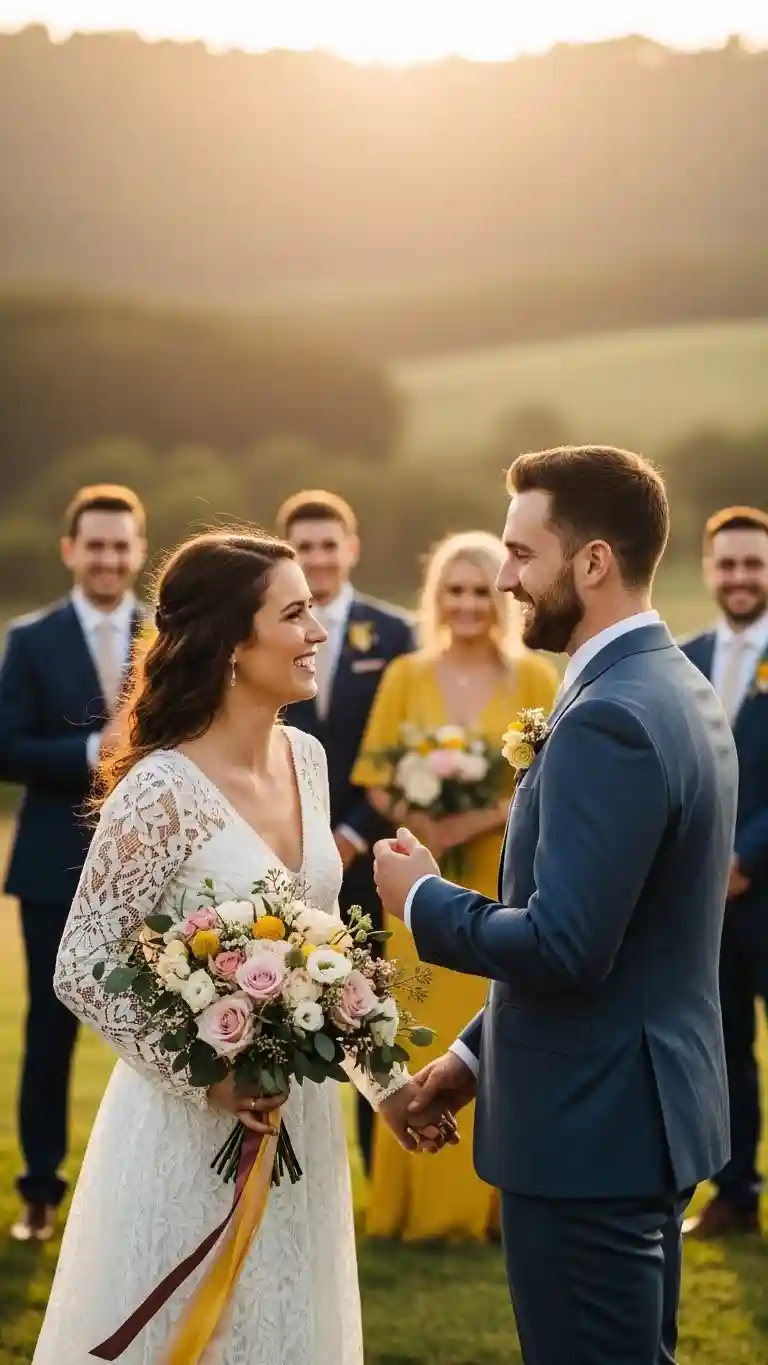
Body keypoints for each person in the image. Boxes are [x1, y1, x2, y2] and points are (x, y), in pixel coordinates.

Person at [32, 530, 453, 1365]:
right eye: (295, 613)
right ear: (232, 641)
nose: (318, 632)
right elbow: (81, 963)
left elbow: (325, 949)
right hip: (187, 1129)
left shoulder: (308, 758)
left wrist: (390, 1089)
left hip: (300, 1122)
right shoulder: (159, 788)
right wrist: (209, 1075)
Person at [374, 446, 739, 1365]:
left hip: (590, 1131)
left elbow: (569, 943)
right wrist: (470, 1053)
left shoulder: (612, 715)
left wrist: (423, 900)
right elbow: (623, 931)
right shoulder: (672, 685)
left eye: (520, 555)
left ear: (593, 562)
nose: (503, 579)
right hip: (632, 1113)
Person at [352, 530, 557, 1239]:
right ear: (437, 597)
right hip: (417, 891)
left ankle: (495, 1204)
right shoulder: (406, 672)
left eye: (479, 590)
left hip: (504, 884)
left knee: (495, 1035)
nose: (468, 603)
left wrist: (484, 814)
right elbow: (376, 774)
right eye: (454, 591)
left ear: (496, 596)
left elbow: (553, 771)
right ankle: (411, 1202)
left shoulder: (533, 677)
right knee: (415, 1034)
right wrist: (424, 823)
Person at [0, 484, 148, 1242]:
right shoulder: (29, 639)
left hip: (154, 866)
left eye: (121, 544)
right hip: (52, 864)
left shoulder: (168, 632)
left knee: (162, 1028)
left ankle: (146, 1198)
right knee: (50, 1037)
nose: (108, 557)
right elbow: (6, 746)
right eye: (95, 544)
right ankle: (40, 1192)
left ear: (139, 551)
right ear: (70, 550)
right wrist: (98, 752)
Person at [277, 490, 415, 1171]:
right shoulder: (268, 629)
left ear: (352, 549)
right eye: (305, 547)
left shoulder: (395, 634)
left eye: (331, 544)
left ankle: (379, 1160)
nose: (321, 558)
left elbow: (405, 750)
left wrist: (354, 834)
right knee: (290, 1000)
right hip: (284, 852)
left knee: (371, 1003)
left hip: (373, 854)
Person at [681, 506, 768, 1238]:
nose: (741, 577)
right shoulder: (685, 656)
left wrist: (747, 854)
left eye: (754, 563)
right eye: (729, 563)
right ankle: (737, 1192)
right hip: (709, 903)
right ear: (709, 569)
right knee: (726, 1046)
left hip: (762, 883)